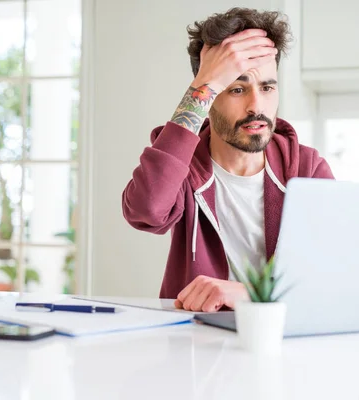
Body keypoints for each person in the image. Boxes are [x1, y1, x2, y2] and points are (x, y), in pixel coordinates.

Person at [122, 7, 334, 312]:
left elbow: (332, 277)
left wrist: (247, 294)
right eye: (237, 88)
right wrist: (202, 85)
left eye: (267, 87)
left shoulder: (306, 169)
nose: (256, 106)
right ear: (208, 96)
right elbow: (147, 211)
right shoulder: (184, 163)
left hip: (279, 342)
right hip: (193, 343)